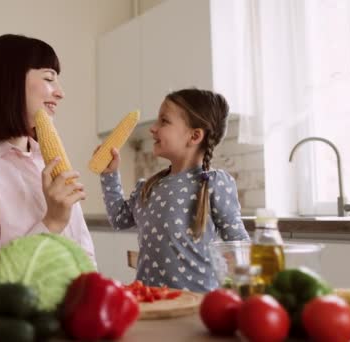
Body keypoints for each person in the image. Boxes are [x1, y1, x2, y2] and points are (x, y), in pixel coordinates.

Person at [0, 34, 95, 266]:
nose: (60, 92)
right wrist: (52, 222)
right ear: (10, 81)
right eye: (49, 78)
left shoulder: (48, 161)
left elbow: (84, 251)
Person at [98, 88, 249, 292]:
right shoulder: (149, 186)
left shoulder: (213, 183)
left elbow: (239, 246)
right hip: (152, 301)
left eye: (164, 121)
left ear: (194, 136)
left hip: (198, 304)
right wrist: (110, 175)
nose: (153, 128)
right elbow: (119, 219)